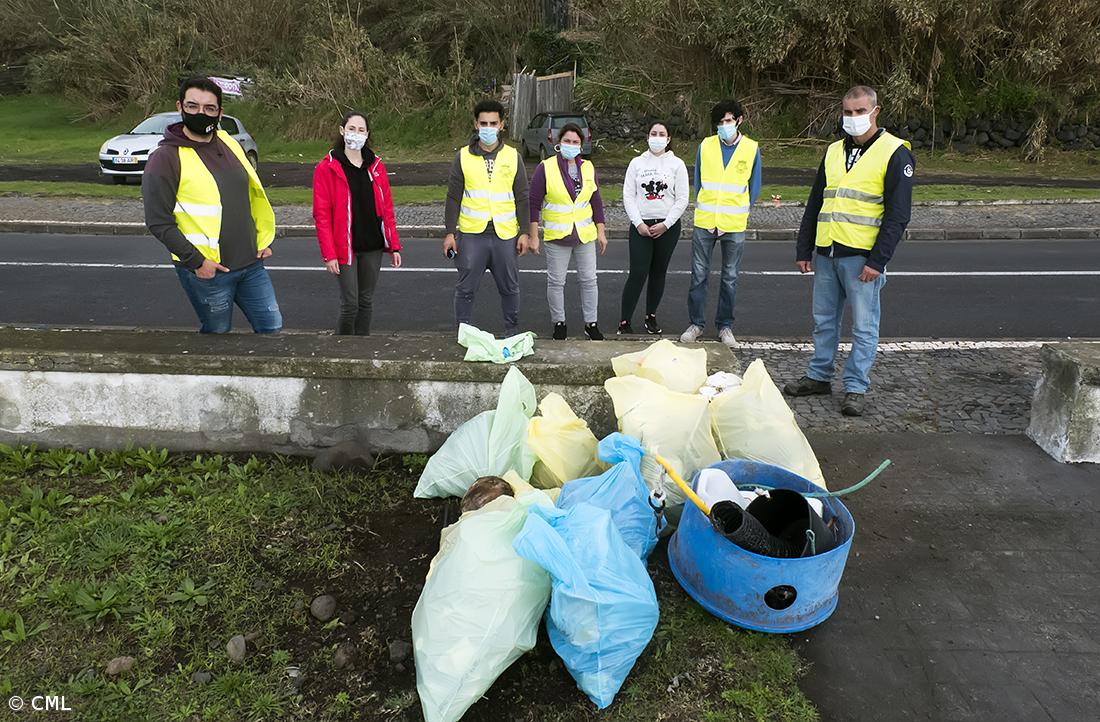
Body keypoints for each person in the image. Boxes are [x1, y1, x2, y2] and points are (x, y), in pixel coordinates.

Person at [783, 85, 914, 416]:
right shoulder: (832, 151)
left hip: (862, 258)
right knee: (823, 321)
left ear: (875, 112)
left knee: (864, 326)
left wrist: (878, 261)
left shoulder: (894, 152)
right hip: (827, 252)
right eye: (847, 112)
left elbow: (898, 215)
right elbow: (816, 202)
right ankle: (819, 376)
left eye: (859, 112)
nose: (853, 117)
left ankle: (856, 387)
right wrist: (804, 248)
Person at [143, 76, 281, 334]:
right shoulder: (165, 158)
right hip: (209, 271)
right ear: (180, 107)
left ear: (220, 113)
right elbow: (158, 222)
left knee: (272, 328)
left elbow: (249, 195)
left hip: (251, 264)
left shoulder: (229, 142)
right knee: (217, 336)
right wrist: (197, 262)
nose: (201, 113)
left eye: (209, 108)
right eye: (192, 106)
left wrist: (262, 239)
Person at [443, 100, 530, 335]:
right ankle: (463, 333)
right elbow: (453, 197)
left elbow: (522, 198)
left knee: (510, 288)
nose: (488, 128)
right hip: (472, 235)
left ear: (502, 125)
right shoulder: (462, 157)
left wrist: (525, 233)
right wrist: (449, 233)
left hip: (505, 236)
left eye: (493, 123)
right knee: (466, 289)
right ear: (476, 124)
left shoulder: (513, 157)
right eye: (484, 123)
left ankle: (511, 333)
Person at [680, 98, 762, 348]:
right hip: (705, 220)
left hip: (734, 223)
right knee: (698, 275)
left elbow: (754, 187)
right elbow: (699, 182)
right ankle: (696, 324)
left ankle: (725, 326)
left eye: (729, 121)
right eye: (720, 122)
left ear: (739, 121)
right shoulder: (705, 146)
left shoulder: (751, 148)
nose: (724, 126)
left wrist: (738, 211)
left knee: (730, 277)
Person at [312, 111, 402, 335]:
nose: (356, 134)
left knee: (366, 301)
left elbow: (387, 209)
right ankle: (343, 348)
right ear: (342, 131)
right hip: (345, 247)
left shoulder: (376, 166)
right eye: (352, 129)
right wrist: (329, 255)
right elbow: (322, 216)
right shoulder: (327, 168)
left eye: (361, 130)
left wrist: (394, 246)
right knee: (350, 305)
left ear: (367, 134)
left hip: (372, 245)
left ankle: (363, 347)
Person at [528, 123, 608, 340]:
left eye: (575, 142)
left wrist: (601, 232)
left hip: (584, 235)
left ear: (581, 146)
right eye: (567, 141)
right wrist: (533, 236)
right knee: (556, 282)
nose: (570, 145)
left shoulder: (588, 168)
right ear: (559, 143)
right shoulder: (545, 168)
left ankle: (591, 324)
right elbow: (534, 204)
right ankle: (559, 323)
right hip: (558, 236)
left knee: (589, 280)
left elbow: (596, 201)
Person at [619, 121, 690, 335]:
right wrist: (638, 223)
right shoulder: (636, 163)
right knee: (638, 272)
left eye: (661, 134)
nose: (657, 137)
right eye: (653, 133)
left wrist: (666, 224)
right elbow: (628, 196)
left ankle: (651, 316)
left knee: (658, 273)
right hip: (641, 226)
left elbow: (682, 199)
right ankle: (625, 320)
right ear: (647, 137)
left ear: (668, 139)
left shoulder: (677, 164)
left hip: (667, 227)